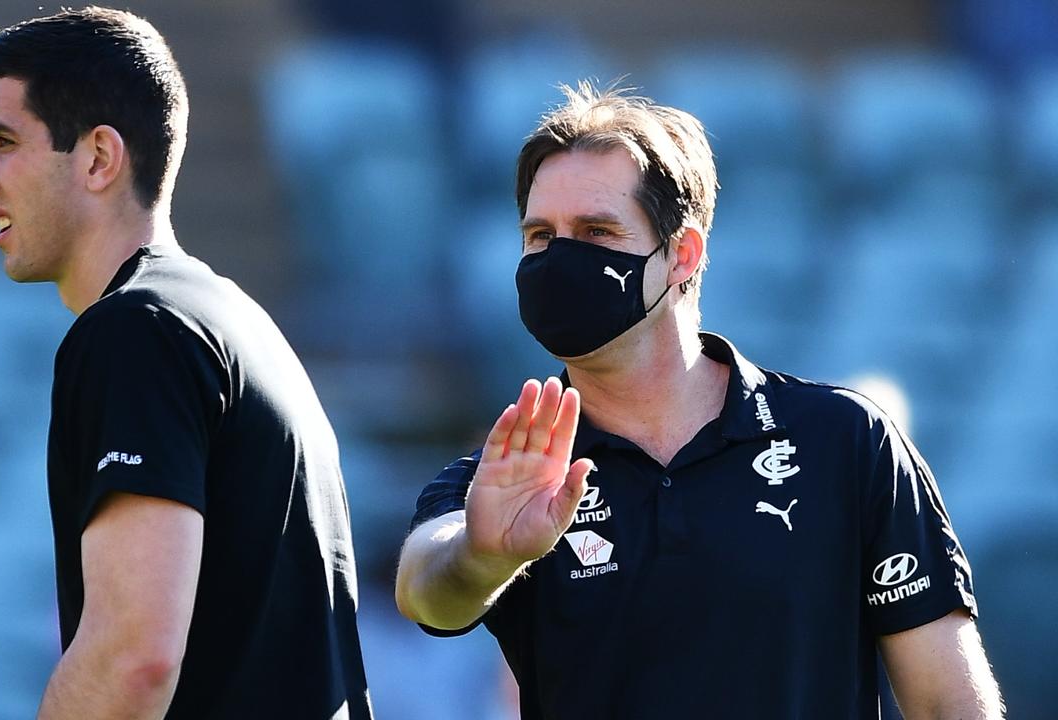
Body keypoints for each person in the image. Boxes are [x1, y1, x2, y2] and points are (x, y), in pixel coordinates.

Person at [394, 82, 1003, 719]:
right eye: (541, 237)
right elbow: (425, 591)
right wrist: (484, 557)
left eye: (596, 231)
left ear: (681, 254)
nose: (559, 259)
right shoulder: (513, 483)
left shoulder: (844, 441)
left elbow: (947, 703)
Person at [0, 8, 372, 719]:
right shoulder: (230, 318)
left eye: (3, 142)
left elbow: (134, 660)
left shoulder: (137, 331)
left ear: (97, 157)